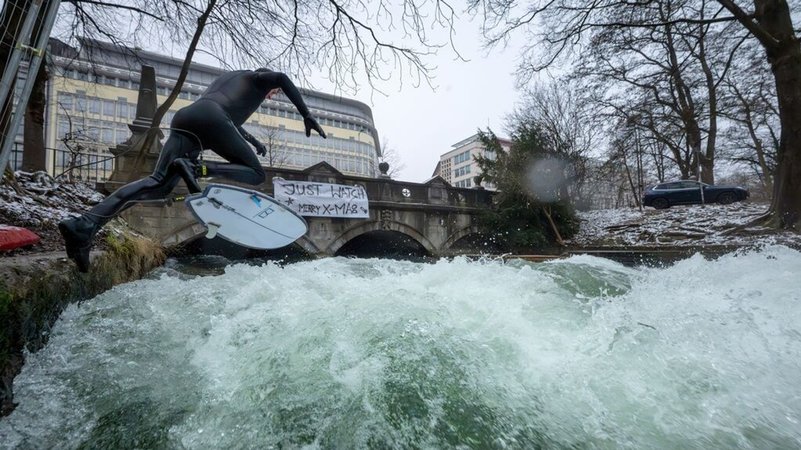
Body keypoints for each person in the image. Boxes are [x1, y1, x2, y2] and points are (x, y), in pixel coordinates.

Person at [58, 68, 327, 272]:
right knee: (256, 174)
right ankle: (198, 167)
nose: (272, 95)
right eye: (274, 93)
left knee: (158, 184)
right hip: (212, 122)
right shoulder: (259, 78)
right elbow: (280, 77)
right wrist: (306, 114)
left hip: (188, 119)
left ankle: (85, 225)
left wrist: (253, 140)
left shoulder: (229, 80)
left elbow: (228, 117)